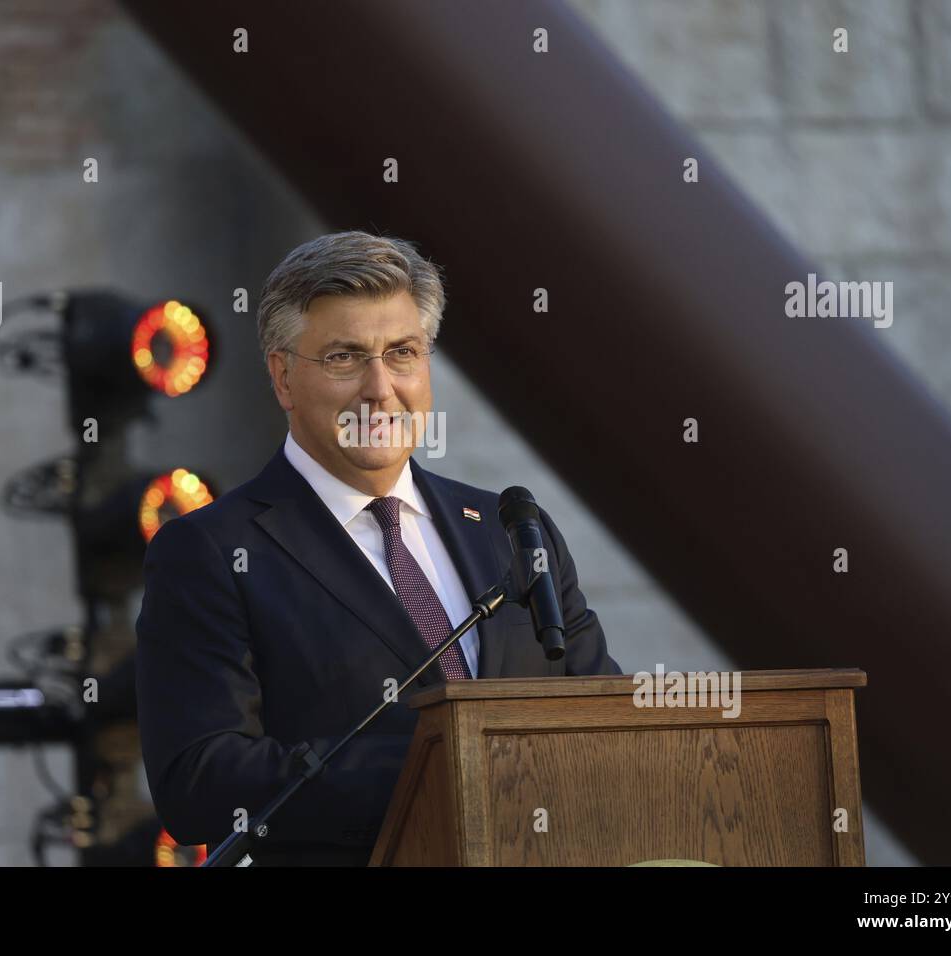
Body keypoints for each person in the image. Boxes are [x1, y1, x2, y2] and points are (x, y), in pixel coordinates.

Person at [136, 230, 622, 865]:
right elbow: (199, 778)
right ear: (283, 376)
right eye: (344, 357)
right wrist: (437, 768)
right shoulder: (209, 550)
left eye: (402, 353)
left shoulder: (511, 531)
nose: (380, 387)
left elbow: (607, 721)